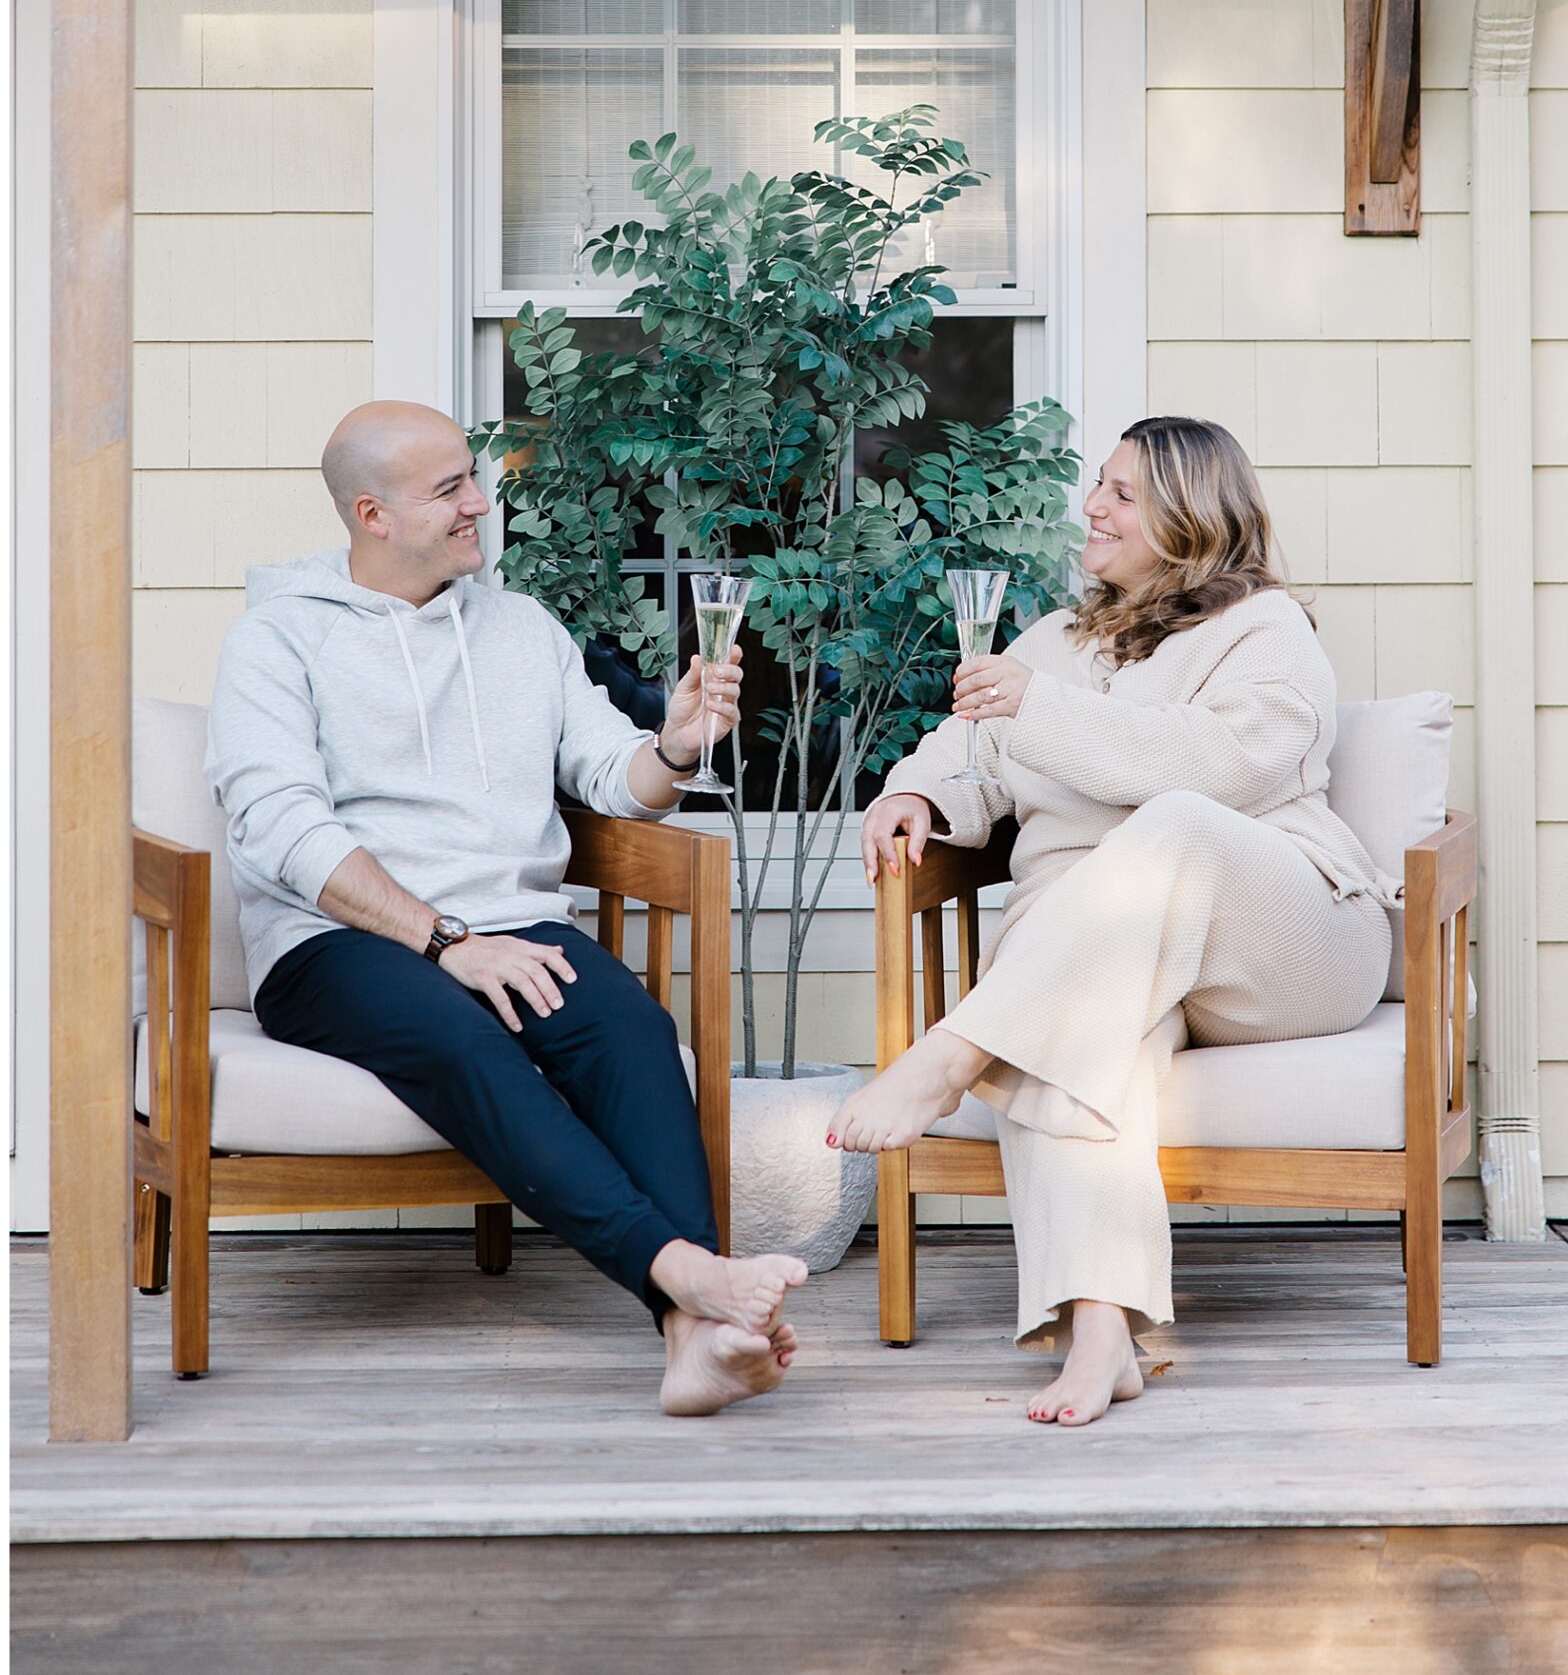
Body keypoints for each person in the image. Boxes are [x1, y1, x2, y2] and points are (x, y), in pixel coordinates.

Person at [206, 399, 806, 1418]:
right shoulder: (276, 639)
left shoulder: (522, 628)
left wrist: (675, 742)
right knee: (463, 1040)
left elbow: (611, 778)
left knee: (628, 1025)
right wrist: (447, 941)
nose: (481, 502)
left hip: (510, 927)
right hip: (337, 941)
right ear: (373, 513)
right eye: (451, 489)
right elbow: (277, 827)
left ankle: (693, 1337)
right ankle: (688, 1274)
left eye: (472, 477)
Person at [828, 416, 1394, 1429]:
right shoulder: (1055, 640)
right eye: (1098, 485)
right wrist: (913, 796)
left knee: (1175, 826)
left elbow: (1212, 770)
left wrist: (1034, 709)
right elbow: (967, 751)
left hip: (1288, 938)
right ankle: (1102, 1336)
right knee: (1083, 1033)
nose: (1093, 506)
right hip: (1109, 954)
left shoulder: (1266, 632)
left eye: (1123, 492)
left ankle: (952, 1051)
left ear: (1190, 515)